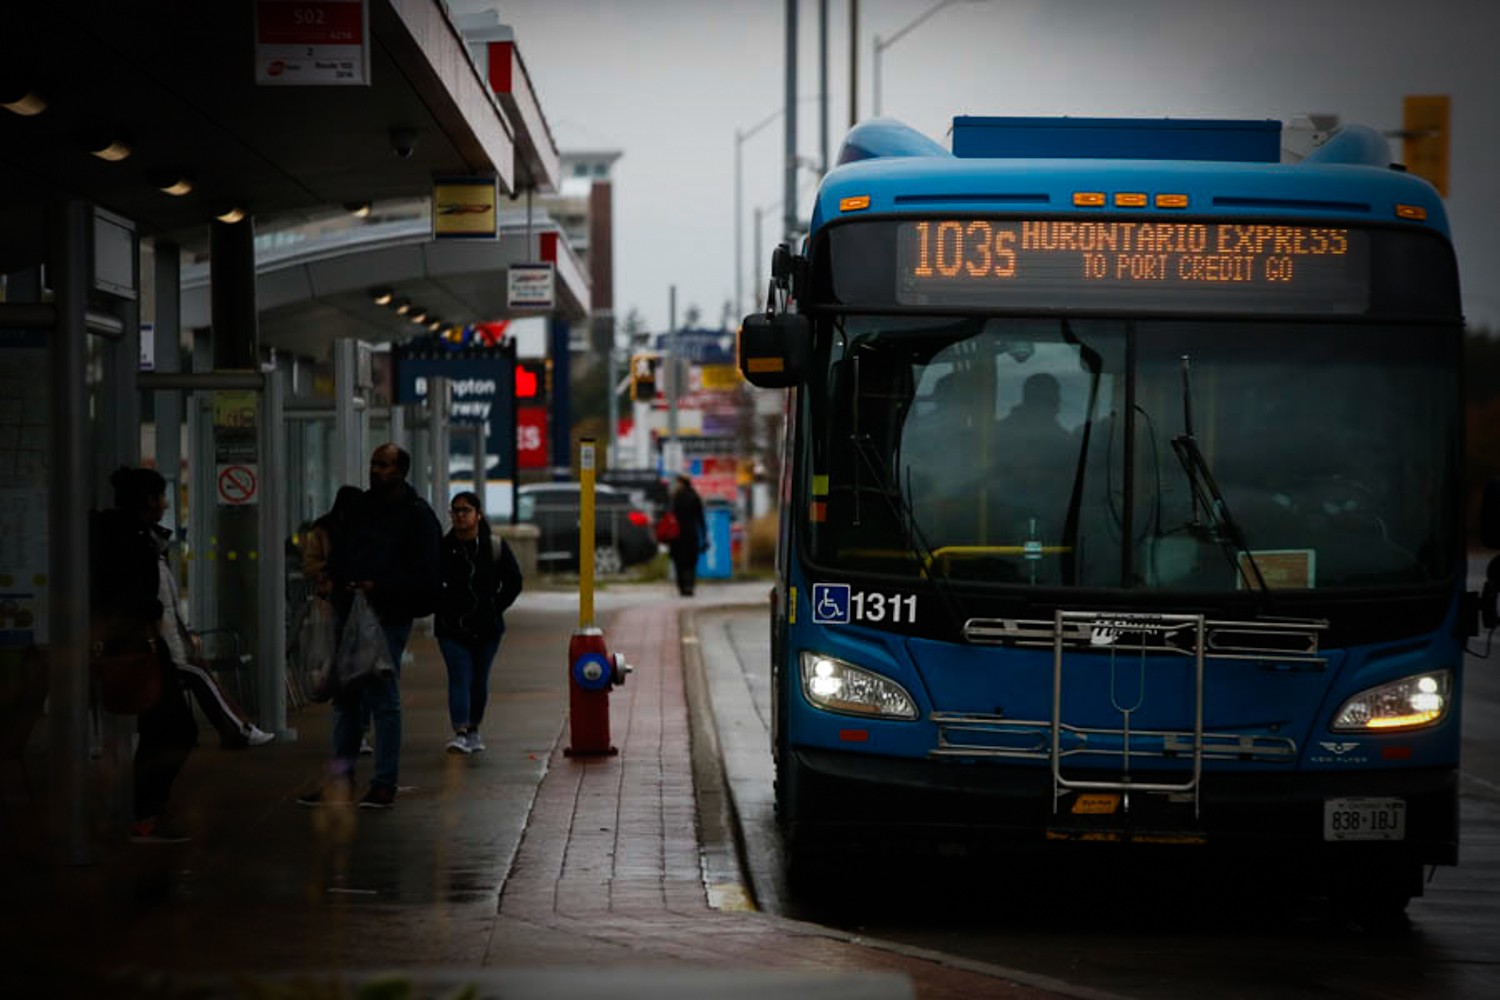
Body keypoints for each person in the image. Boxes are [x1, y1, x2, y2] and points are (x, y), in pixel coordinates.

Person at [89, 467, 271, 842]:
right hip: (145, 651)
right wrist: (155, 620)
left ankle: (147, 814)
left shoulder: (125, 537)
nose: (165, 503)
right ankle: (146, 815)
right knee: (176, 731)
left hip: (148, 649)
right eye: (159, 496)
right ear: (147, 501)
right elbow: (138, 598)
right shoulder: (132, 542)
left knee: (166, 731)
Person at [299, 443, 441, 810]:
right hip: (350, 610)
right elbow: (344, 550)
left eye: (383, 465)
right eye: (373, 464)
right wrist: (334, 577)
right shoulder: (360, 508)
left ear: (401, 471)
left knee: (381, 695)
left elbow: (426, 576)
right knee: (346, 697)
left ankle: (383, 782)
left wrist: (382, 587)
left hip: (387, 616)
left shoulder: (416, 516)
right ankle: (342, 778)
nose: (375, 470)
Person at [434, 491, 523, 755]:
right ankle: (460, 731)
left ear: (478, 514)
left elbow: (514, 581)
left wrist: (495, 607)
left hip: (487, 628)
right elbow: (431, 581)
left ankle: (473, 728)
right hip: (451, 627)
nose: (460, 516)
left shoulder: (494, 546)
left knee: (479, 679)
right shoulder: (442, 548)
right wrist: (442, 605)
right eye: (455, 511)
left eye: (466, 510)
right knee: (460, 674)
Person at [667, 474, 708, 597]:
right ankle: (689, 586)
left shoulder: (675, 497)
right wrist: (704, 535)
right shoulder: (694, 496)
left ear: (681, 483)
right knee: (691, 562)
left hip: (677, 535)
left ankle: (682, 587)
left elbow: (669, 516)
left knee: (679, 562)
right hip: (691, 534)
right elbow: (700, 518)